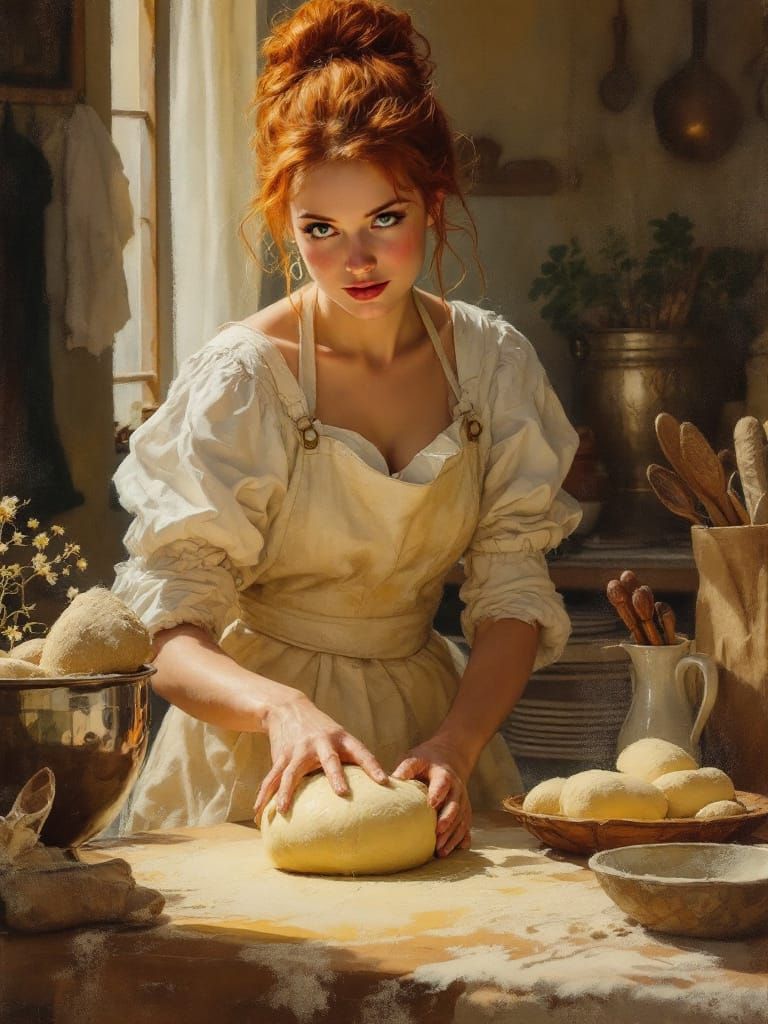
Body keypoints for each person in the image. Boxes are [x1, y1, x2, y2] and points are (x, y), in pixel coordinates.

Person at [112, 0, 581, 857]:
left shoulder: (492, 365)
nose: (354, 261)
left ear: (433, 203)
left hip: (434, 736)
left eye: (384, 221)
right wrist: (279, 709)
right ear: (287, 226)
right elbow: (170, 635)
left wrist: (459, 743)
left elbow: (512, 591)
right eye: (319, 230)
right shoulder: (245, 380)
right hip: (255, 748)